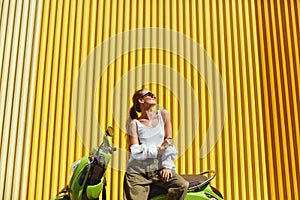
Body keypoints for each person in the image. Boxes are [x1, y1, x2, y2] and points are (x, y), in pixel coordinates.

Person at [123, 88, 188, 200]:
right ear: (141, 100)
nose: (154, 96)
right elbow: (136, 152)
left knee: (182, 185)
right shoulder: (135, 124)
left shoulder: (163, 115)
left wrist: (167, 166)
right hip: (138, 172)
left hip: (158, 167)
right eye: (150, 94)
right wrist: (159, 148)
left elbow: (169, 142)